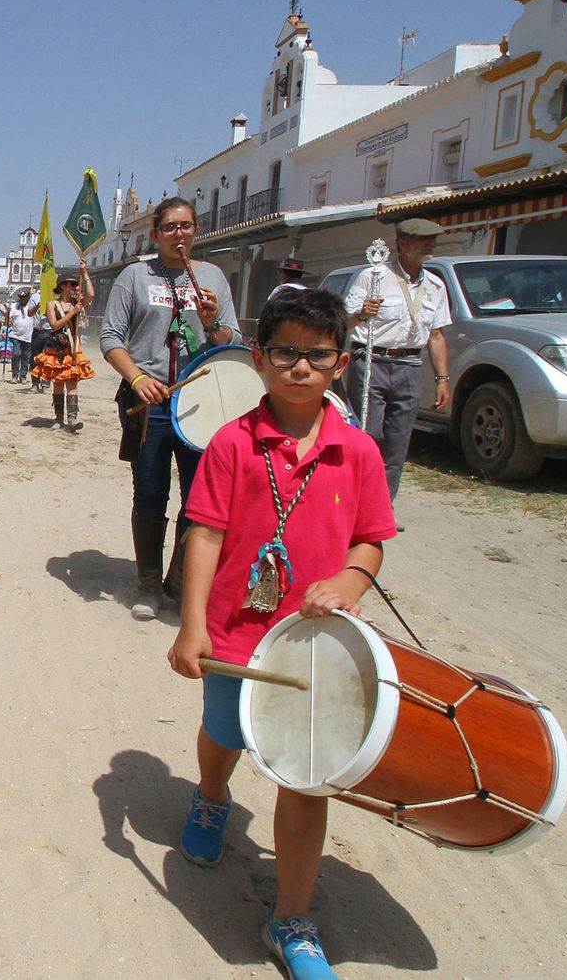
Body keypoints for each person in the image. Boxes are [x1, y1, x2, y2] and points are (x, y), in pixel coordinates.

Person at [167, 288, 395, 980]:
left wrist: (352, 583)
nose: (300, 366)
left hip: (313, 649)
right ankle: (212, 794)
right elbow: (203, 532)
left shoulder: (358, 453)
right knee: (225, 734)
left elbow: (371, 541)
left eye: (316, 354)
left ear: (341, 363)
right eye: (286, 352)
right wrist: (192, 624)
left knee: (306, 778)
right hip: (237, 637)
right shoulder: (232, 443)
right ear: (261, 359)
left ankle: (291, 917)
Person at [100, 197, 240, 620]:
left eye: (187, 226)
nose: (180, 234)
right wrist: (137, 378)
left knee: (199, 497)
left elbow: (229, 340)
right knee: (150, 491)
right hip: (149, 400)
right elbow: (110, 337)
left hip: (199, 400)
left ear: (196, 231)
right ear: (156, 233)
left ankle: (180, 580)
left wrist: (213, 320)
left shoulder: (213, 276)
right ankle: (148, 584)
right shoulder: (134, 275)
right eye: (171, 227)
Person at [343, 218, 452, 503]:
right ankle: (355, 502)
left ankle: (382, 506)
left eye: (432, 241)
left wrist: (442, 379)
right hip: (371, 362)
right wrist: (363, 314)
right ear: (402, 244)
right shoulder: (373, 276)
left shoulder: (436, 286)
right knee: (368, 435)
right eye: (421, 240)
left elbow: (436, 336)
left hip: (410, 367)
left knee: (398, 441)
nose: (429, 245)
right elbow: (344, 322)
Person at [31, 263, 96, 431]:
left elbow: (91, 294)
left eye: (75, 284)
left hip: (73, 348)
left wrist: (85, 273)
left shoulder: (77, 302)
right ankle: (58, 418)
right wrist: (73, 312)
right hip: (57, 349)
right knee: (58, 384)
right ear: (63, 286)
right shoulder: (52, 305)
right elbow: (54, 325)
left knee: (72, 384)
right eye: (72, 284)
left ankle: (72, 419)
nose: (75, 287)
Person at [7, 288, 35, 384]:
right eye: (20, 297)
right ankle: (15, 375)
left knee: (26, 357)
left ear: (28, 297)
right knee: (16, 354)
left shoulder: (32, 307)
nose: (22, 299)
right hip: (16, 335)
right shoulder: (14, 306)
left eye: (24, 297)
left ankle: (23, 376)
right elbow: (9, 319)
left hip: (29, 336)